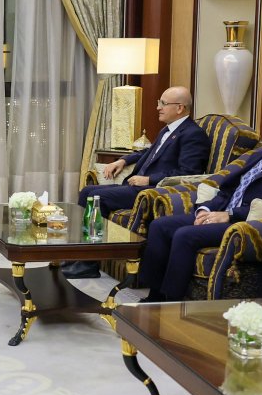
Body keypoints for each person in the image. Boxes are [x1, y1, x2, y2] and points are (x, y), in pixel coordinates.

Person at [139, 100, 262, 302]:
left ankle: (168, 302)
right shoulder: (261, 154)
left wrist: (229, 215)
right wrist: (205, 209)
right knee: (160, 225)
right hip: (222, 213)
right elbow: (229, 189)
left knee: (185, 235)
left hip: (247, 226)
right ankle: (153, 294)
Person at [65, 86, 211, 278]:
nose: (158, 107)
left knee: (96, 197)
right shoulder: (168, 130)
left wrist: (148, 179)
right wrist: (123, 160)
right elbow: (148, 152)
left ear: (180, 108)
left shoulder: (193, 135)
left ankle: (89, 264)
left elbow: (188, 173)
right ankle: (77, 254)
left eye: (163, 104)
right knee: (87, 191)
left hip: (153, 192)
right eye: (159, 102)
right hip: (135, 186)